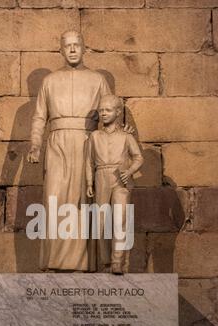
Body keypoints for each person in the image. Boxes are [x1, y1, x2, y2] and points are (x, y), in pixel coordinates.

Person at [27, 30, 112, 271]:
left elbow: (111, 111)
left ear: (84, 48)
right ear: (61, 50)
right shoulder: (50, 81)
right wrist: (35, 144)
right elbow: (39, 116)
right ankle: (53, 262)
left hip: (88, 143)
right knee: (54, 199)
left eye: (77, 45)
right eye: (67, 46)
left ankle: (85, 264)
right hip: (57, 145)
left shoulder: (97, 80)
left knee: (85, 201)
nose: (73, 49)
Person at [86, 95, 144, 274]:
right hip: (101, 176)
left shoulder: (126, 136)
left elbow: (139, 157)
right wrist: (89, 182)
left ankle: (117, 261)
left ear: (118, 112)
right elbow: (88, 161)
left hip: (120, 179)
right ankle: (105, 262)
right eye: (101, 110)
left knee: (120, 219)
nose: (103, 113)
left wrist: (130, 171)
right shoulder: (94, 136)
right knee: (101, 221)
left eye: (108, 110)